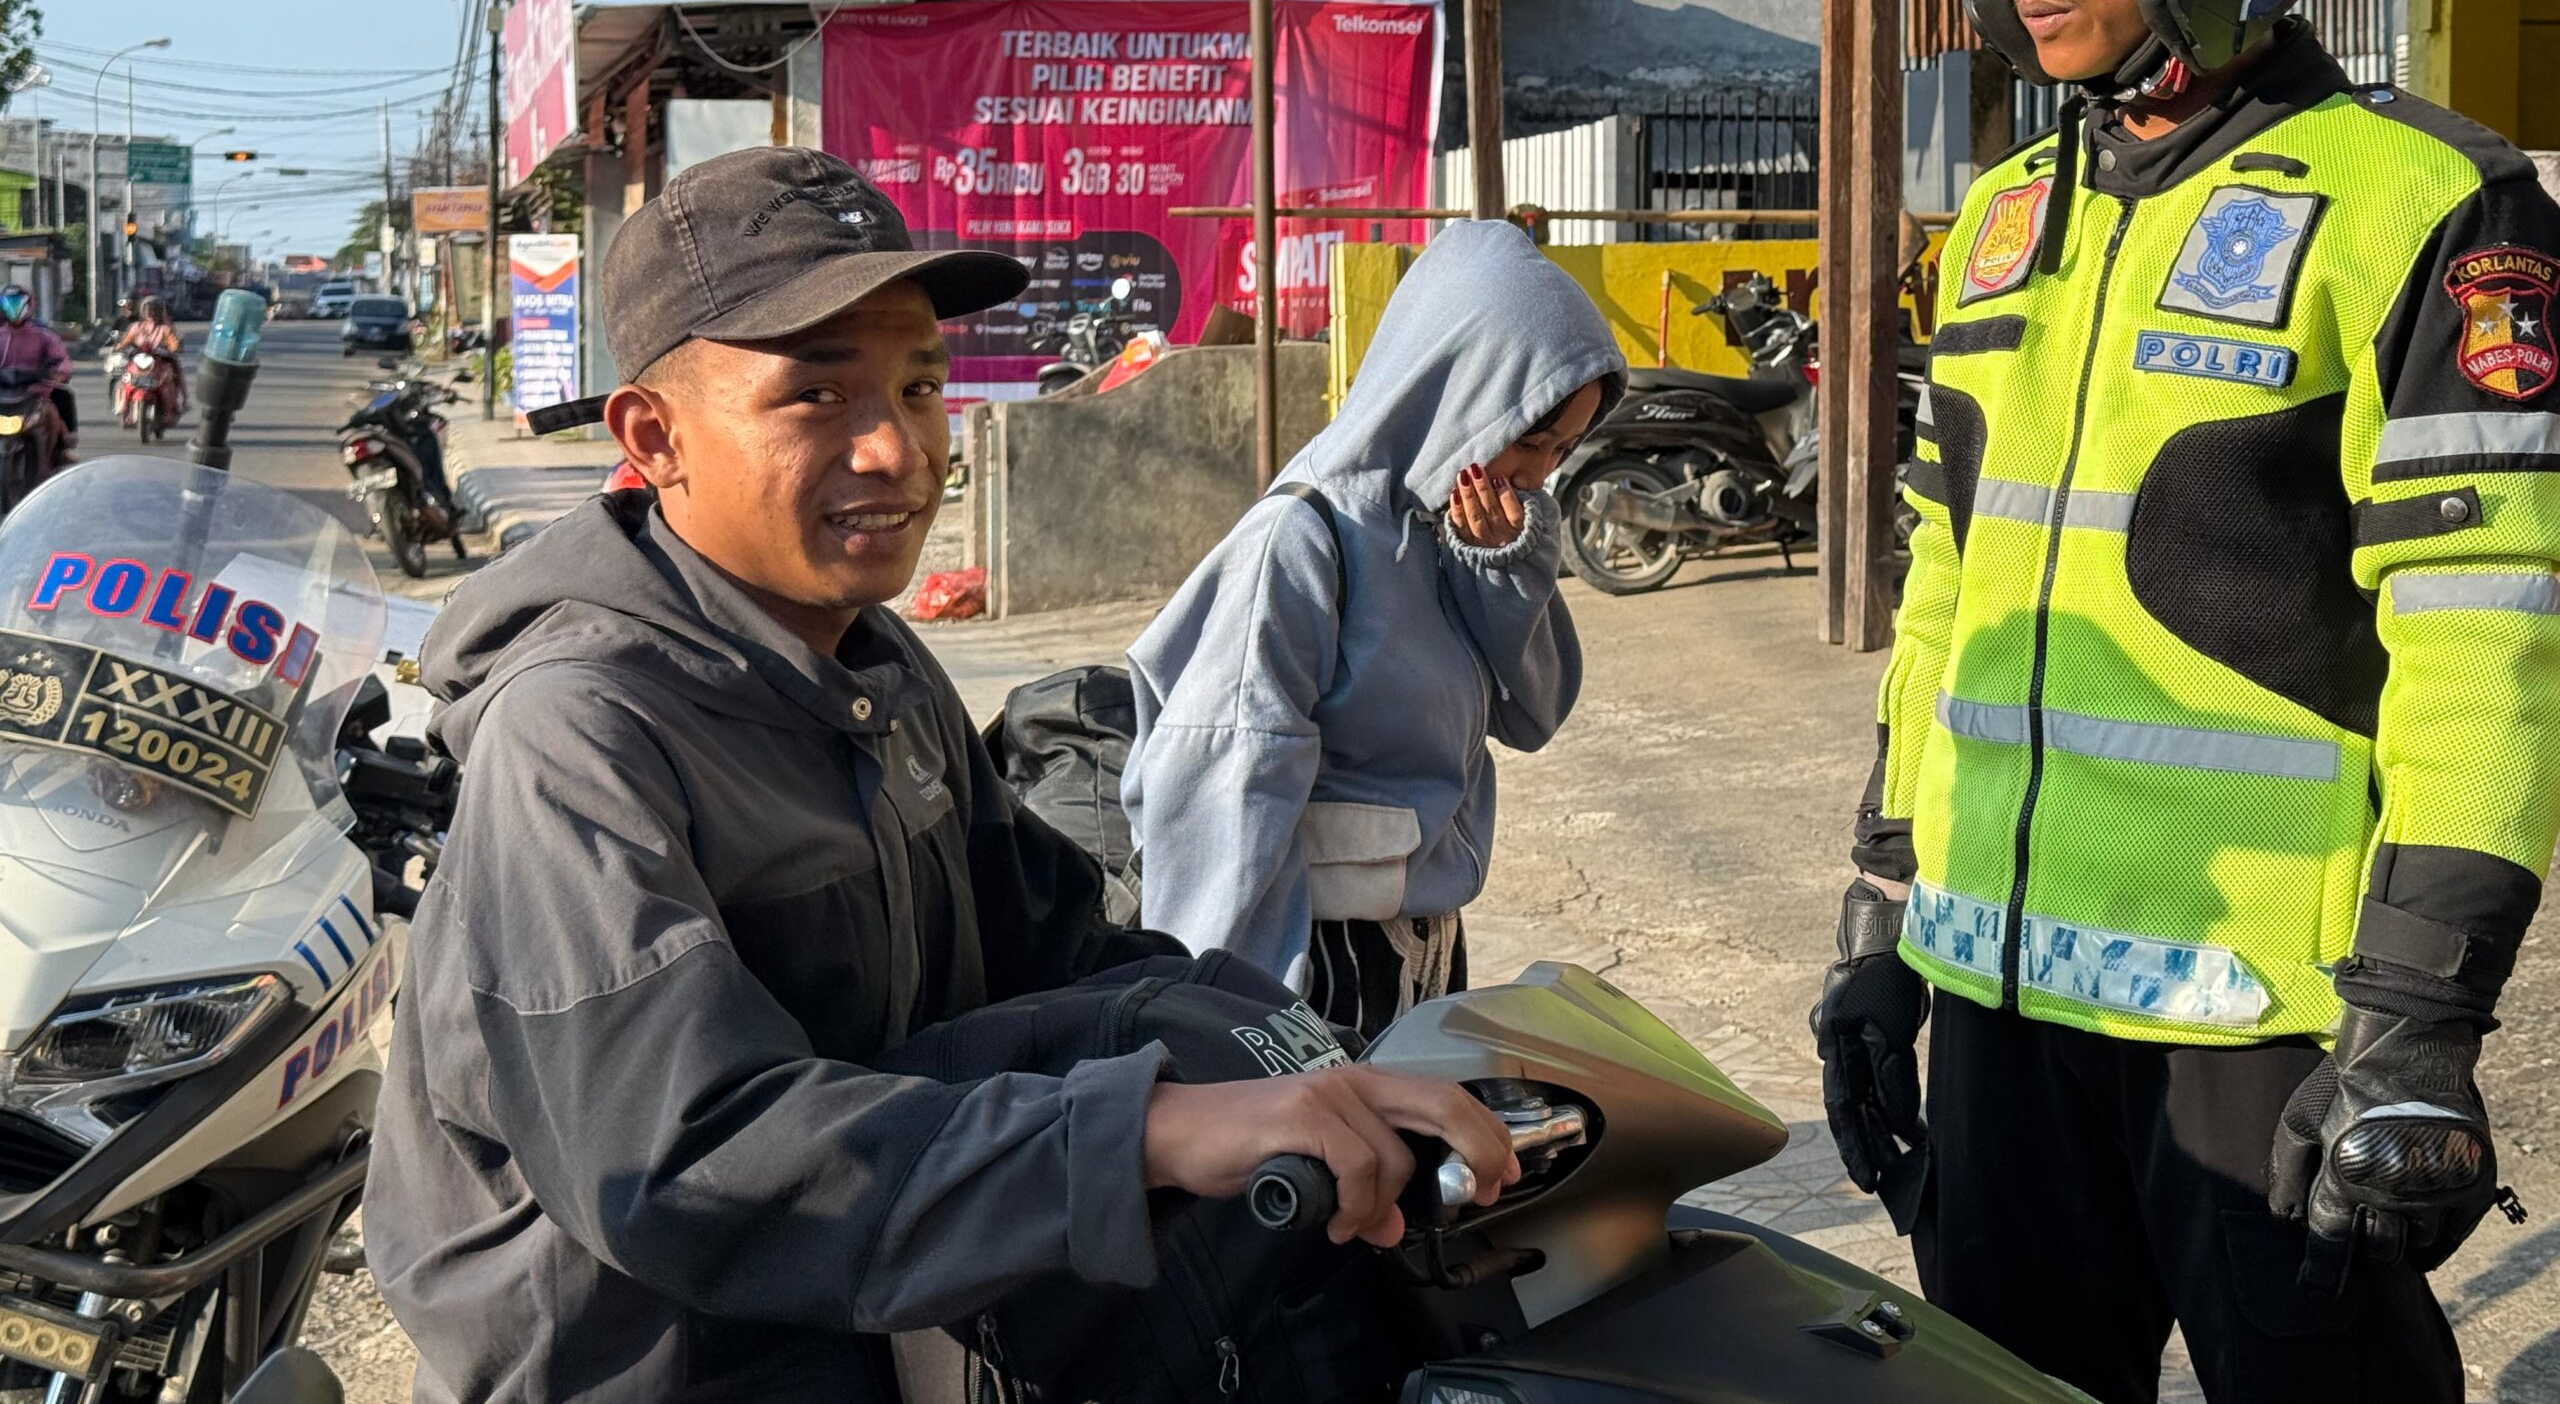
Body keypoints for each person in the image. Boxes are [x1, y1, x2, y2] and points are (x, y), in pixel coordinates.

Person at [364, 147, 1515, 1404]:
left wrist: (1303, 1058)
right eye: (816, 396)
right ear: (657, 438)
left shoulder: (867, 660)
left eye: (919, 387)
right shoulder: (579, 733)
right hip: (667, 1365)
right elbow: (683, 1159)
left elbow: (1059, 947)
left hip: (892, 1322)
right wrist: (1138, 1133)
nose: (896, 450)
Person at [1815, 0, 2560, 1404]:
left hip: (2256, 1021)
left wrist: (2419, 1022)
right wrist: (1883, 911)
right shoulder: (2004, 222)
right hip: (2000, 1011)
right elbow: (1950, 591)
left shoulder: (2425, 208)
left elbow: (2485, 640)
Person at [1124, 221, 1624, 1040]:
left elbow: (1532, 715)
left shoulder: (1453, 524)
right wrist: (1232, 1029)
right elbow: (1225, 792)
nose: (1536, 475)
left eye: (1562, 450)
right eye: (1528, 440)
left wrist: (1505, 570)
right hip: (1315, 965)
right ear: (1455, 392)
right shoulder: (1301, 541)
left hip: (1422, 944)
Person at [0, 287, 75, 470]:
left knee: (63, 396)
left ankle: (63, 447)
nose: (14, 310)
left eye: (18, 303)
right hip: (2, 394)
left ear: (30, 305)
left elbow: (62, 359)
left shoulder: (43, 336)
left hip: (35, 394)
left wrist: (58, 374)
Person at [115, 295, 184, 426]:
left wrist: (172, 348)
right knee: (125, 379)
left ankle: (178, 404)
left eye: (154, 310)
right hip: (139, 360)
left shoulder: (165, 328)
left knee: (173, 374)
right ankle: (124, 409)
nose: (151, 313)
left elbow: (173, 343)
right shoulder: (136, 327)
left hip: (159, 361)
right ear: (142, 312)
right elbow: (125, 341)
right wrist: (120, 347)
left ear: (160, 312)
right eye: (148, 310)